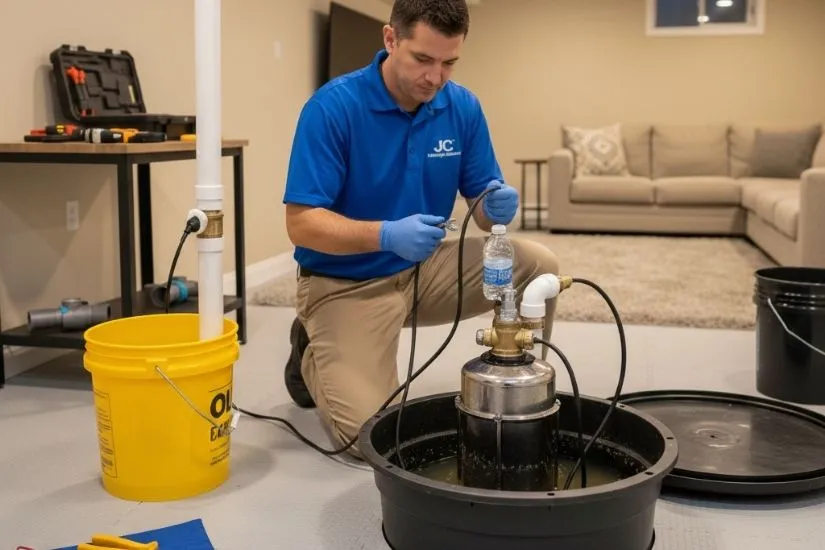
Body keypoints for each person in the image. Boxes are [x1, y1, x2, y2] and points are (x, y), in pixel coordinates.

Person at [282, 0, 559, 457]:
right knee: (370, 439)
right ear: (391, 39)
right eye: (423, 59)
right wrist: (385, 235)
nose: (436, 76)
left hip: (424, 271)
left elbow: (485, 211)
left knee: (538, 266)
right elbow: (301, 224)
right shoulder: (333, 108)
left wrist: (496, 205)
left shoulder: (462, 107)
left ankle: (521, 378)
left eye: (449, 62)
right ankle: (312, 342)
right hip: (347, 283)